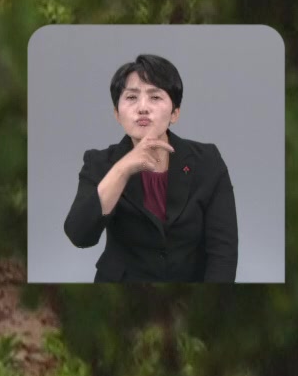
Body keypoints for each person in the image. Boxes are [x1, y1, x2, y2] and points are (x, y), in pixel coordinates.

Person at [62, 54, 238, 282]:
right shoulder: (100, 163)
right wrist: (122, 169)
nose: (143, 108)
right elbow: (79, 234)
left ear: (175, 113)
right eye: (131, 97)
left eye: (155, 97)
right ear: (117, 113)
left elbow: (223, 252)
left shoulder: (207, 161)